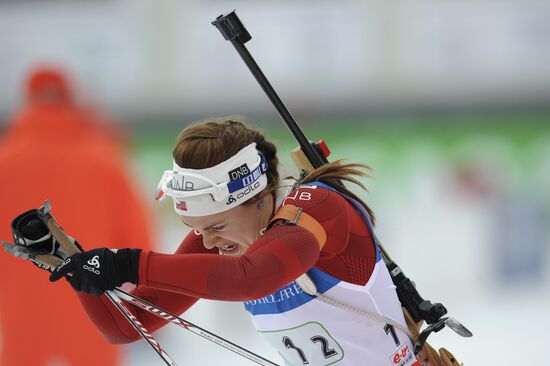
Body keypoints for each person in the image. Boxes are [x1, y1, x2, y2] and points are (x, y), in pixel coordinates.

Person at [5, 116, 419, 365]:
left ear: (258, 197)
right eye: (196, 230)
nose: (207, 242)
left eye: (217, 226)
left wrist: (126, 262)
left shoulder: (316, 210)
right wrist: (74, 263)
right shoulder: (220, 239)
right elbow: (130, 325)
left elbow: (251, 279)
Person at [0, 66, 154, 366]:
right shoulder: (104, 158)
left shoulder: (5, 162)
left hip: (21, 301)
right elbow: (137, 233)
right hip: (93, 292)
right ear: (71, 98)